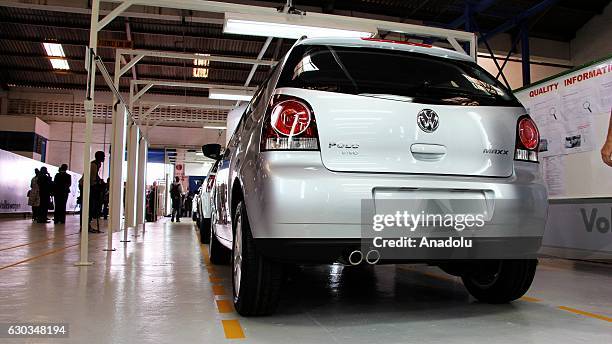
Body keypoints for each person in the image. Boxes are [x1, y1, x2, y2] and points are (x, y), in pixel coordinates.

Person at [79, 151, 105, 233]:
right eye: (103, 156)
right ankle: (85, 225)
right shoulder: (93, 165)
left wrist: (100, 180)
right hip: (86, 187)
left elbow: (95, 177)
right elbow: (92, 179)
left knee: (90, 207)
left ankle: (86, 225)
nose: (104, 158)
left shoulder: (97, 164)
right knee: (88, 207)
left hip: (89, 186)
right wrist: (99, 184)